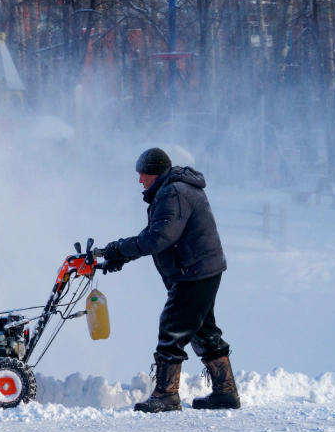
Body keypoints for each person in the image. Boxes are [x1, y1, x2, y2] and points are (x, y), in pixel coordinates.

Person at [101, 147, 241, 413]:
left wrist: (119, 248)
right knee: (203, 331)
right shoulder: (173, 189)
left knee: (172, 329)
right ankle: (226, 393)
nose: (139, 180)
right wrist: (121, 255)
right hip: (200, 270)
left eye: (142, 174)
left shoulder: (174, 192)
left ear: (155, 172)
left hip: (194, 272)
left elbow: (158, 238)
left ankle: (166, 394)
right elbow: (157, 233)